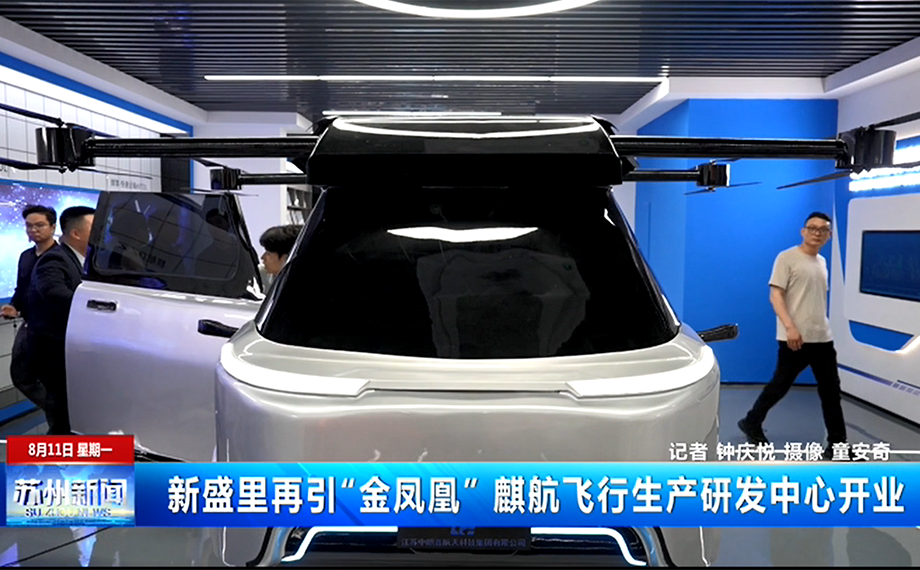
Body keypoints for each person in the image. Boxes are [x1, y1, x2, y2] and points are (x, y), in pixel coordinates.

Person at [738, 212, 848, 460]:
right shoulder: (787, 258)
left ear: (829, 235)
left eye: (823, 230)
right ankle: (751, 422)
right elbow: (776, 295)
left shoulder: (821, 262)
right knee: (780, 385)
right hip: (795, 338)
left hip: (822, 337)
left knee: (831, 391)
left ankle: (838, 445)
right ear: (803, 231)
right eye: (812, 228)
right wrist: (790, 327)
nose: (817, 233)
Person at [27, 206, 95, 435]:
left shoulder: (82, 259)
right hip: (53, 351)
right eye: (94, 227)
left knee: (73, 410)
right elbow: (55, 294)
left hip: (70, 347)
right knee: (63, 414)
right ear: (76, 233)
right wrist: (96, 306)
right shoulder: (55, 259)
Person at [1, 204, 58, 410]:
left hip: (54, 329)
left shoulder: (61, 256)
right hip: (30, 324)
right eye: (28, 226)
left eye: (39, 225)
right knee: (21, 376)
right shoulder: (26, 256)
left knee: (54, 378)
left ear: (52, 227)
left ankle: (62, 415)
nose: (33, 230)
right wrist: (13, 306)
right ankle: (58, 410)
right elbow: (21, 287)